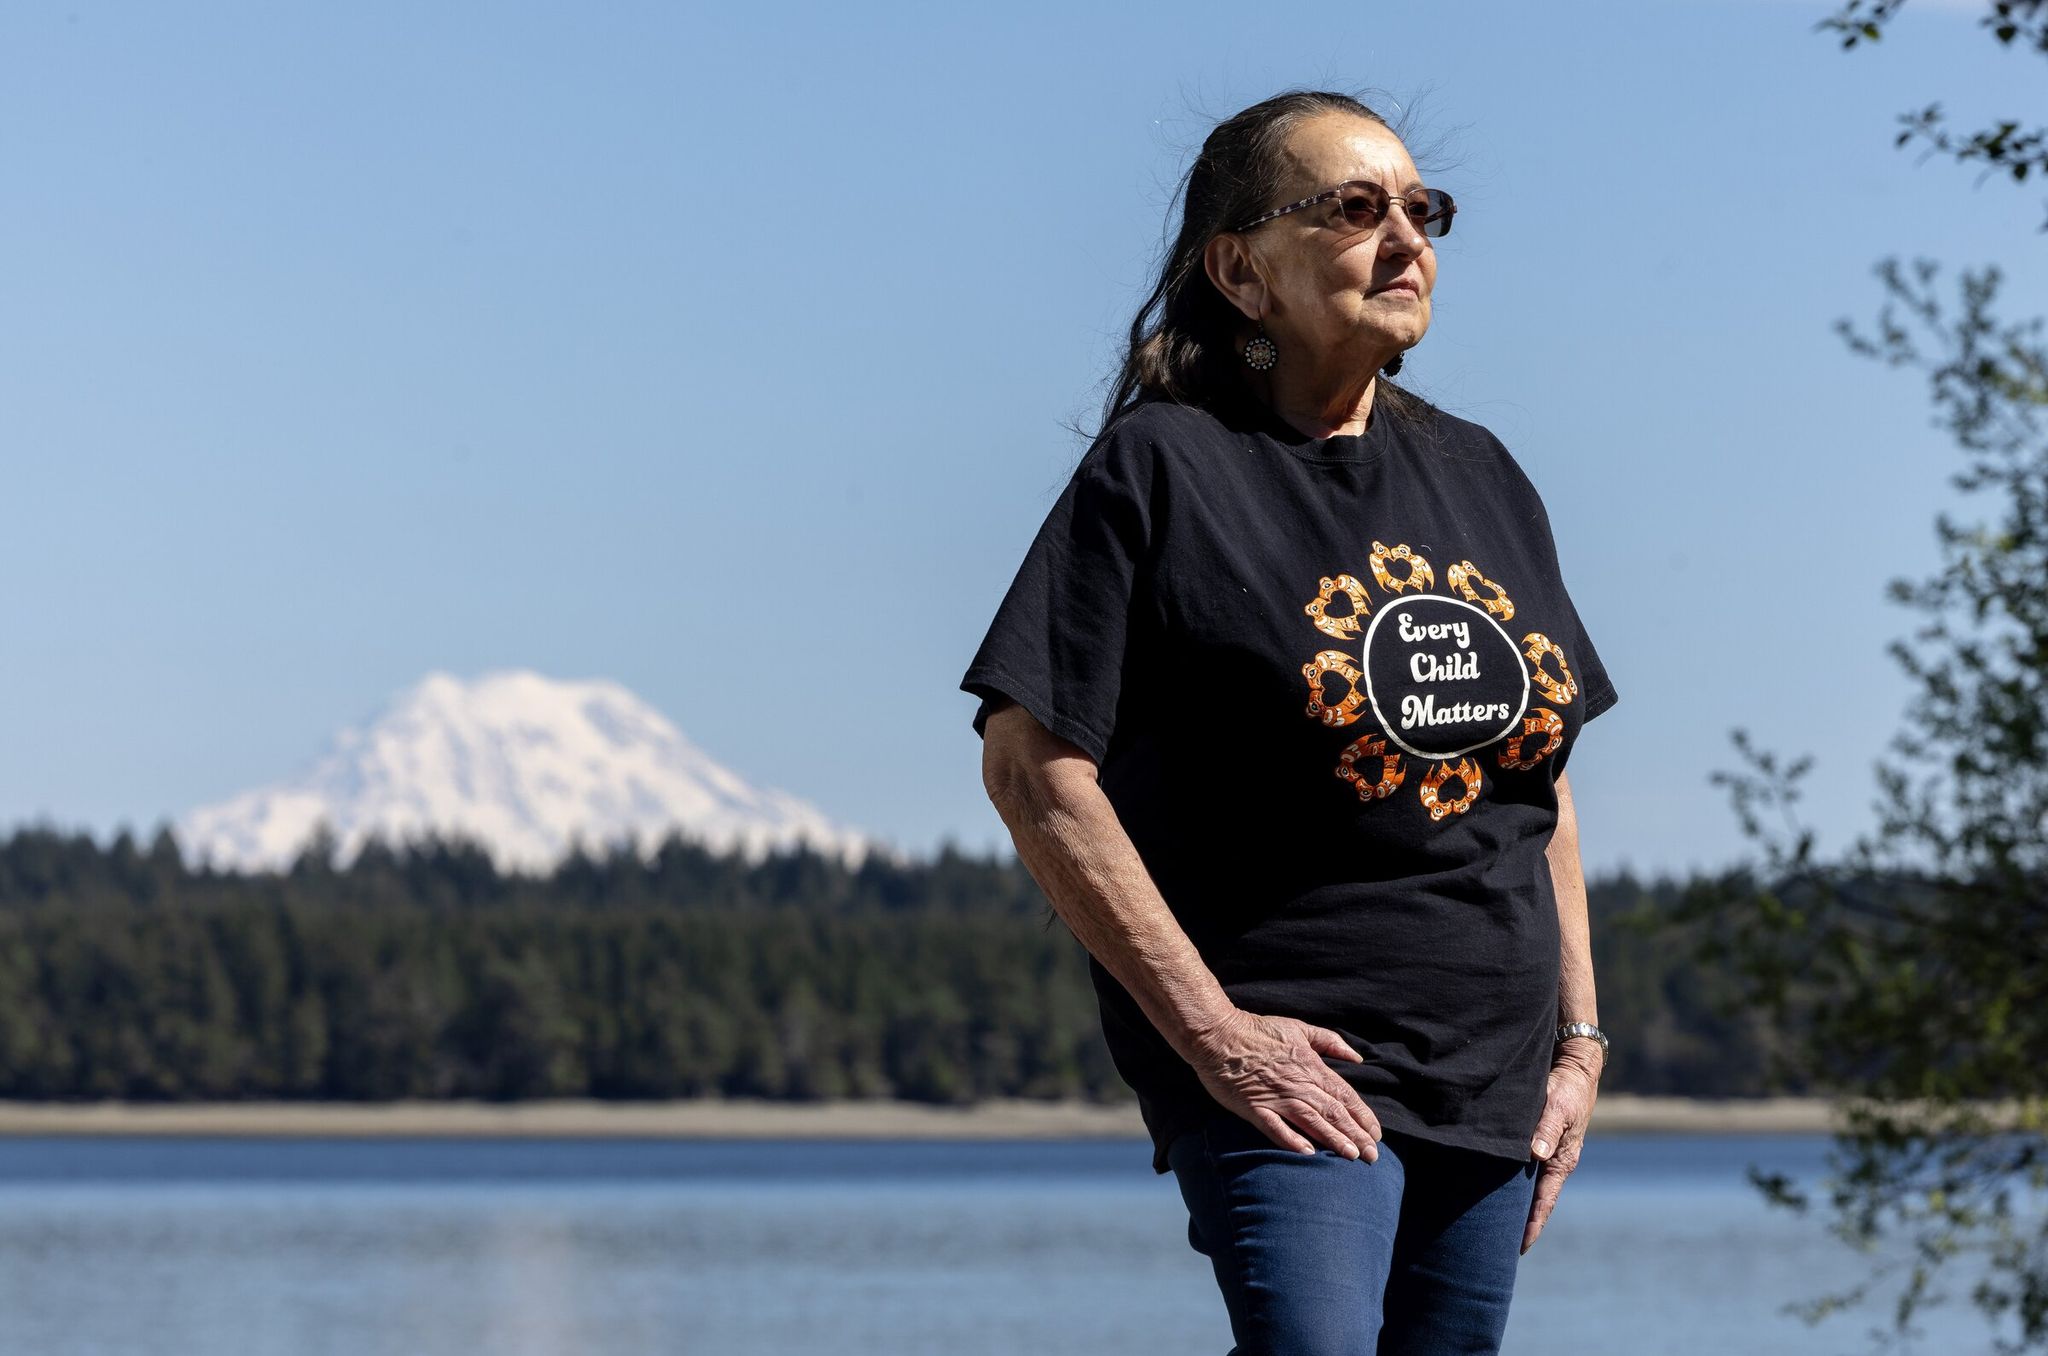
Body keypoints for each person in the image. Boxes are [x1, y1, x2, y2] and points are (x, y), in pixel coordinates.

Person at [958, 88, 1617, 1355]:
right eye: (1353, 209)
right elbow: (1032, 768)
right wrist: (1213, 1035)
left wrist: (1578, 1042)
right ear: (1238, 270)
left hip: (1492, 1079)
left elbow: (1540, 780)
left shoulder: (1483, 474)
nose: (1404, 239)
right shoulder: (1164, 468)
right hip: (1294, 1070)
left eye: (1421, 212)